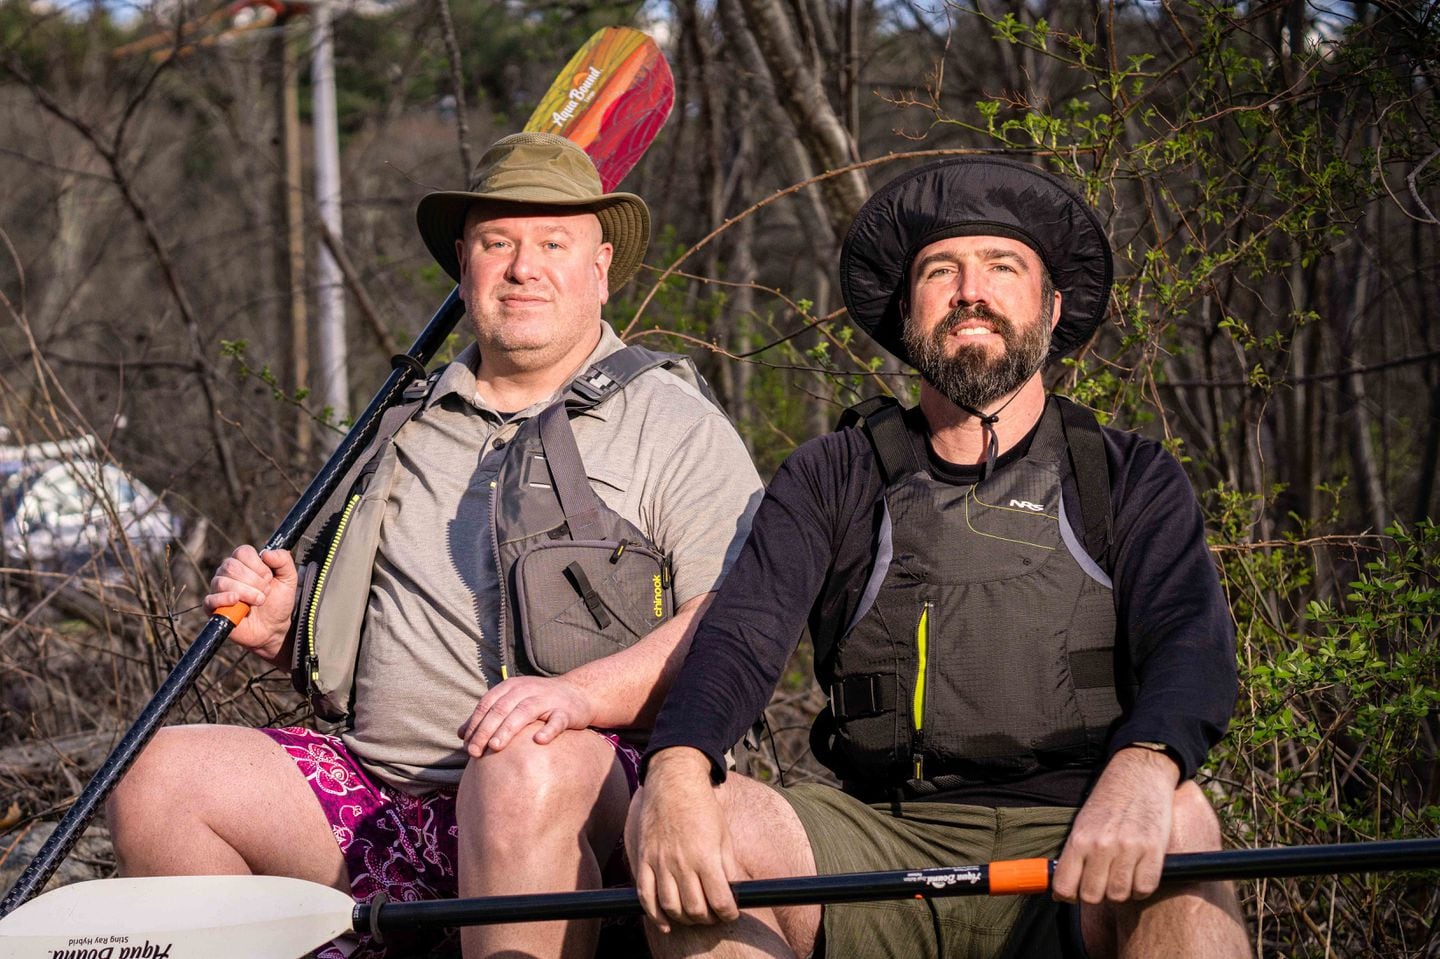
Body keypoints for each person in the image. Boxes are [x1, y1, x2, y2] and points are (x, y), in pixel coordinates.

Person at [105, 132, 763, 959]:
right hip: (384, 800)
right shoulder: (403, 424)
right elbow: (364, 623)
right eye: (498, 243)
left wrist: (579, 697)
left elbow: (734, 620)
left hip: (581, 796)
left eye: (553, 243)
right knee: (159, 775)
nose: (523, 267)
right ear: (465, 264)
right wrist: (286, 623)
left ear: (599, 269)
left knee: (522, 765)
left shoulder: (675, 423)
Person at [627, 157, 1251, 958]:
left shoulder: (1127, 476)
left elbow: (1192, 646)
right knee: (684, 807)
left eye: (1003, 266)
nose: (970, 290)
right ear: (907, 309)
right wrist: (676, 769)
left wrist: (1142, 766)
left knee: (1183, 812)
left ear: (1053, 307)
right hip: (879, 841)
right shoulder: (833, 474)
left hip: (1078, 840)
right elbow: (740, 636)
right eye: (941, 270)